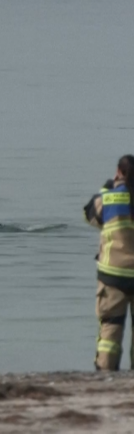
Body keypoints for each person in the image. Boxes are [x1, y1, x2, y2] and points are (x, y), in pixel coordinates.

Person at [84, 154, 134, 371]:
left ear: (119, 172)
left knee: (110, 332)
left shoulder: (110, 198)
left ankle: (105, 375)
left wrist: (107, 188)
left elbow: (90, 215)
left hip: (113, 276)